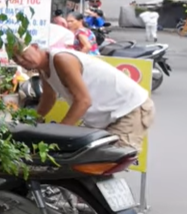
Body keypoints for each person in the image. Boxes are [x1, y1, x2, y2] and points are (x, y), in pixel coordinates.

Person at [11, 42, 155, 150]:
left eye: (23, 54)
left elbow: (83, 101)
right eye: (16, 59)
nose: (21, 60)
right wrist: (30, 121)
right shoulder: (44, 69)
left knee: (105, 162)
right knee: (85, 159)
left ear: (35, 46)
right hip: (106, 115)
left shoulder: (61, 59)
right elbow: (49, 97)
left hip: (128, 109)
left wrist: (58, 134)